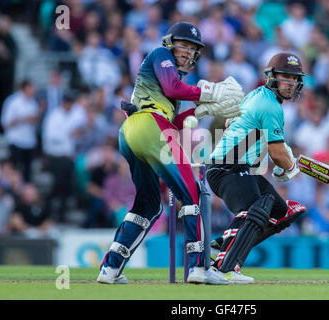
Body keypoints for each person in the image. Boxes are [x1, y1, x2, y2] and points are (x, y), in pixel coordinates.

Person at [97, 22, 244, 285]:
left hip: (133, 134)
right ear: (170, 42)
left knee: (149, 204)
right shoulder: (159, 54)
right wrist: (211, 91)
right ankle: (199, 267)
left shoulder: (170, 87)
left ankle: (110, 268)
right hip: (150, 127)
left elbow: (172, 123)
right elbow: (173, 89)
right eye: (184, 45)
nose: (188, 52)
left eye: (193, 48)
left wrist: (203, 110)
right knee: (194, 194)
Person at [206, 53, 308, 283]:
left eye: (294, 78)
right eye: (285, 77)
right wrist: (289, 167)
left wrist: (283, 158)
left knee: (281, 212)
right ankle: (224, 268)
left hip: (239, 166)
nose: (290, 83)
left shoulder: (256, 95)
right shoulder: (270, 105)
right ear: (271, 77)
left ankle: (223, 246)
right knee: (255, 207)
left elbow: (230, 122)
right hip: (228, 166)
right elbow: (277, 152)